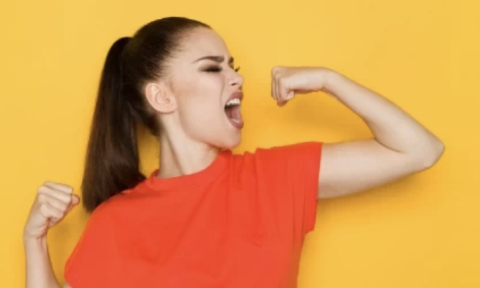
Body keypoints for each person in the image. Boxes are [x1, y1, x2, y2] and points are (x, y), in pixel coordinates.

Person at [23, 17, 444, 288]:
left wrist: (330, 81)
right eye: (212, 68)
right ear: (161, 96)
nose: (236, 80)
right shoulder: (115, 219)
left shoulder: (276, 178)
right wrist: (35, 240)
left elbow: (420, 150)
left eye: (233, 67)